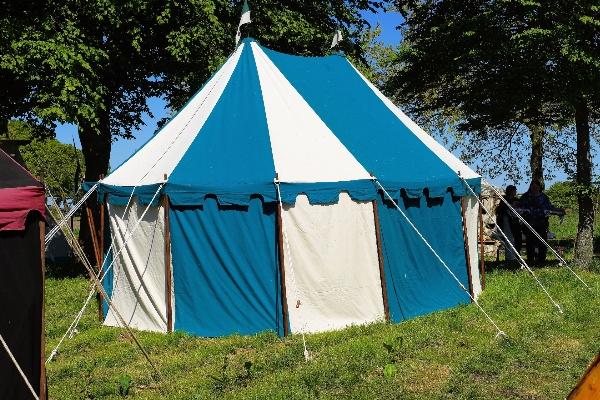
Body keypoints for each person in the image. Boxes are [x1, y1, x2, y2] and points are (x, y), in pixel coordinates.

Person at [519, 179, 565, 263]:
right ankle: (530, 259)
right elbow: (520, 206)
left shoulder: (543, 197)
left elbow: (550, 207)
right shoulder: (526, 196)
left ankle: (541, 259)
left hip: (542, 223)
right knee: (530, 242)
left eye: (536, 187)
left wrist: (559, 210)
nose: (534, 188)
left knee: (542, 241)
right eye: (533, 187)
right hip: (529, 223)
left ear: (539, 187)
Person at [495, 185, 522, 260]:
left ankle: (517, 255)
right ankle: (510, 257)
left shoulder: (516, 200)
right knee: (509, 238)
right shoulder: (504, 200)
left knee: (517, 238)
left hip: (515, 221)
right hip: (506, 221)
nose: (515, 192)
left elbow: (521, 208)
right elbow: (499, 211)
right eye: (514, 190)